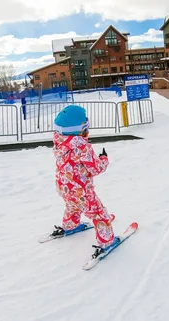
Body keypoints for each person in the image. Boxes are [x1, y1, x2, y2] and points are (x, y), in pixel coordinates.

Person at [50, 104, 119, 257]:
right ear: (80, 129)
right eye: (85, 126)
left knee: (72, 205)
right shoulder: (82, 148)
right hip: (81, 191)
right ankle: (106, 240)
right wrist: (104, 159)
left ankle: (70, 225)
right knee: (99, 214)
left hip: (64, 187)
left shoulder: (59, 143)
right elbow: (95, 168)